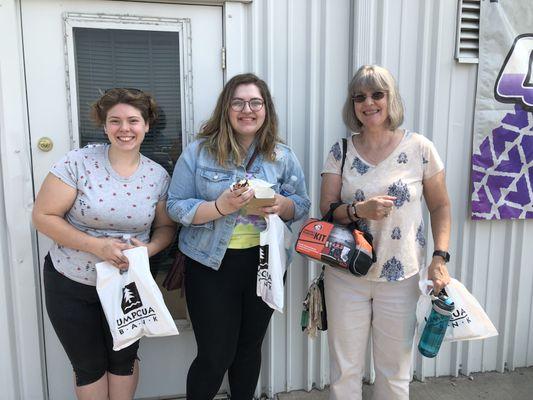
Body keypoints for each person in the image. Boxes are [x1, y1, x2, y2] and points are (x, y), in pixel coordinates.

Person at [167, 73, 310, 400]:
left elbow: (301, 205)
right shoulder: (199, 153)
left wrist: (282, 204)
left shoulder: (281, 155)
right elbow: (175, 206)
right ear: (226, 109)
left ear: (266, 109)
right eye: (238, 102)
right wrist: (220, 206)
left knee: (248, 349)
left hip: (264, 264)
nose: (248, 109)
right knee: (215, 356)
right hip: (210, 265)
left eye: (255, 102)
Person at [32, 88, 176, 400]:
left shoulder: (158, 176)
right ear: (104, 125)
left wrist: (148, 250)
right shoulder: (77, 163)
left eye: (133, 120)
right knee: (89, 365)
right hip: (72, 281)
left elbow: (166, 227)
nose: (125, 129)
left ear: (147, 125)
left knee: (123, 360)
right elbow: (43, 216)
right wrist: (96, 247)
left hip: (127, 285)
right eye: (115, 121)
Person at [320, 65, 451, 400]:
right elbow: (326, 210)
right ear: (353, 105)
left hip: (401, 276)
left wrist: (440, 258)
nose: (369, 103)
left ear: (390, 98)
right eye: (360, 96)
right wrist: (357, 211)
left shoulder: (420, 148)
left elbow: (440, 206)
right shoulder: (341, 150)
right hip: (346, 276)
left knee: (394, 373)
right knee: (344, 370)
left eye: (377, 94)